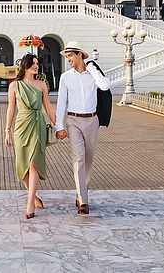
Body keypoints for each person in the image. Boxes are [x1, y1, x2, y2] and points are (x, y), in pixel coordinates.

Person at [55, 41, 110, 215]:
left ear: (80, 54)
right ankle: (83, 201)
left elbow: (105, 86)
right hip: (73, 121)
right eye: (67, 56)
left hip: (92, 121)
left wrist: (92, 68)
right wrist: (59, 125)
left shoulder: (93, 75)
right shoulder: (66, 77)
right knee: (78, 159)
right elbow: (61, 102)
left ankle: (81, 193)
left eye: (70, 55)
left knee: (89, 159)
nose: (68, 59)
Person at [4, 53, 57, 219]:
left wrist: (59, 126)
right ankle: (33, 196)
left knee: (34, 163)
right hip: (20, 127)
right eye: (33, 63)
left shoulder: (42, 85)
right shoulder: (14, 86)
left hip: (37, 125)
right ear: (25, 65)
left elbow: (47, 107)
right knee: (23, 165)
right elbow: (11, 109)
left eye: (37, 63)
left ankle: (29, 206)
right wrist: (7, 131)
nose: (36, 66)